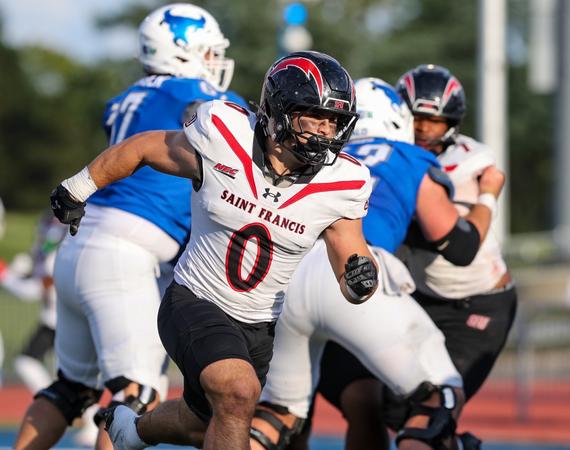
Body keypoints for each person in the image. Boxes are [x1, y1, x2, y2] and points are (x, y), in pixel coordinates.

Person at [48, 50, 378, 450]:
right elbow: (144, 147)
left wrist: (361, 281)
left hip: (258, 325)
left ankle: (132, 431)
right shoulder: (224, 137)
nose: (327, 130)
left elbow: (351, 261)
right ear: (280, 110)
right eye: (316, 116)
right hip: (195, 299)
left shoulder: (343, 183)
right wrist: (78, 187)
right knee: (238, 392)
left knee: (200, 422)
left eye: (335, 121)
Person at [13, 4, 243, 450]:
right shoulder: (203, 98)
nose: (215, 62)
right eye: (208, 52)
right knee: (136, 395)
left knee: (71, 388)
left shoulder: (126, 97)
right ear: (181, 51)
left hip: (81, 241)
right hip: (129, 250)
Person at [251, 78, 505, 450]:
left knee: (278, 414)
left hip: (287, 277)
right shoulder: (407, 157)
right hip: (352, 269)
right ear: (398, 119)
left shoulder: (321, 156)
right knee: (440, 395)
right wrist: (488, 194)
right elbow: (461, 246)